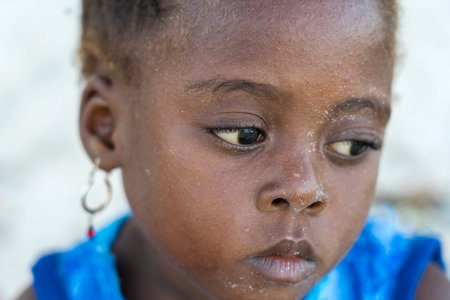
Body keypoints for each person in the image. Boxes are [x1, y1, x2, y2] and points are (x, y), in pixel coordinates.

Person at [19, 0, 450, 299]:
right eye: (243, 134)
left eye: (352, 143)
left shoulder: (408, 290)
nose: (304, 188)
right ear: (107, 129)